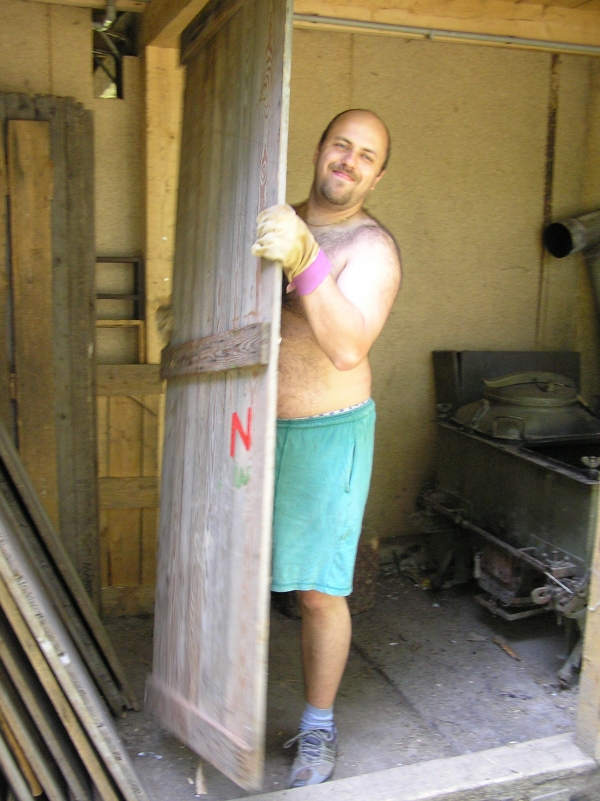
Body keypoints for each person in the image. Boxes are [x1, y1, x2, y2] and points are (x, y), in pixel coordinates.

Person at [252, 109, 402, 788]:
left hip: (325, 435)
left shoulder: (371, 248)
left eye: (366, 155)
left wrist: (307, 259)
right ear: (319, 149)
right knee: (232, 574)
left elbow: (346, 347)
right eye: (342, 145)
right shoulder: (276, 221)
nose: (349, 160)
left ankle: (318, 729)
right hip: (251, 428)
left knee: (318, 592)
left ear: (377, 176)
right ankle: (217, 712)